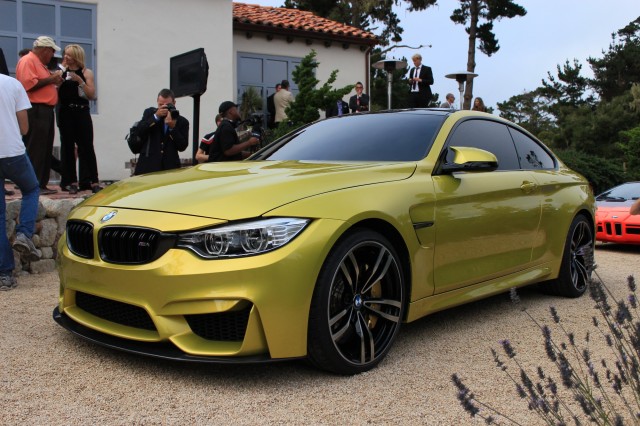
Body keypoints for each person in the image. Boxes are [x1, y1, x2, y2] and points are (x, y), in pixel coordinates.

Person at [0, 73, 42, 290]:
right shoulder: (13, 84)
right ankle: (25, 233)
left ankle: (5, 275)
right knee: (31, 188)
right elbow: (25, 128)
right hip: (12, 152)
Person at [15, 36, 64, 195]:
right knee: (36, 148)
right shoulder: (28, 60)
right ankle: (32, 185)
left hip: (45, 110)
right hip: (36, 109)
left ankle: (40, 184)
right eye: (51, 52)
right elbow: (29, 85)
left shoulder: (38, 63)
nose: (52, 56)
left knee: (44, 148)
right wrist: (52, 78)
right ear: (45, 50)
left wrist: (53, 80)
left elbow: (40, 82)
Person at [57, 44, 100, 193]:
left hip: (82, 112)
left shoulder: (86, 72)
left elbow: (91, 94)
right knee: (68, 147)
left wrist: (79, 81)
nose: (65, 57)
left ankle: (91, 181)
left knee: (87, 146)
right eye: (65, 54)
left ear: (76, 56)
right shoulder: (61, 72)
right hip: (66, 112)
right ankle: (70, 181)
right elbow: (53, 89)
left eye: (68, 55)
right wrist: (61, 75)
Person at [133, 88, 189, 176]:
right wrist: (156, 117)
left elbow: (182, 146)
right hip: (148, 166)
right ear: (157, 103)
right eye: (161, 105)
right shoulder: (149, 113)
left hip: (169, 168)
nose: (164, 108)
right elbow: (140, 131)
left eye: (168, 105)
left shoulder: (182, 121)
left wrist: (172, 128)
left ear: (174, 103)